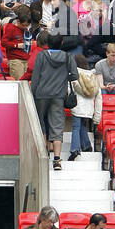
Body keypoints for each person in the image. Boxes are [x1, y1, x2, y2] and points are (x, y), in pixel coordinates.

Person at [31, 38, 79, 170]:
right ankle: (57, 159)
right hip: (58, 95)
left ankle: (43, 155)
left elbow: (35, 77)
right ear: (61, 44)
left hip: (41, 94)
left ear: (47, 43)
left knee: (41, 122)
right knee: (57, 125)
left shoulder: (41, 55)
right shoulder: (67, 57)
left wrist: (32, 93)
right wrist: (63, 76)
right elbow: (75, 75)